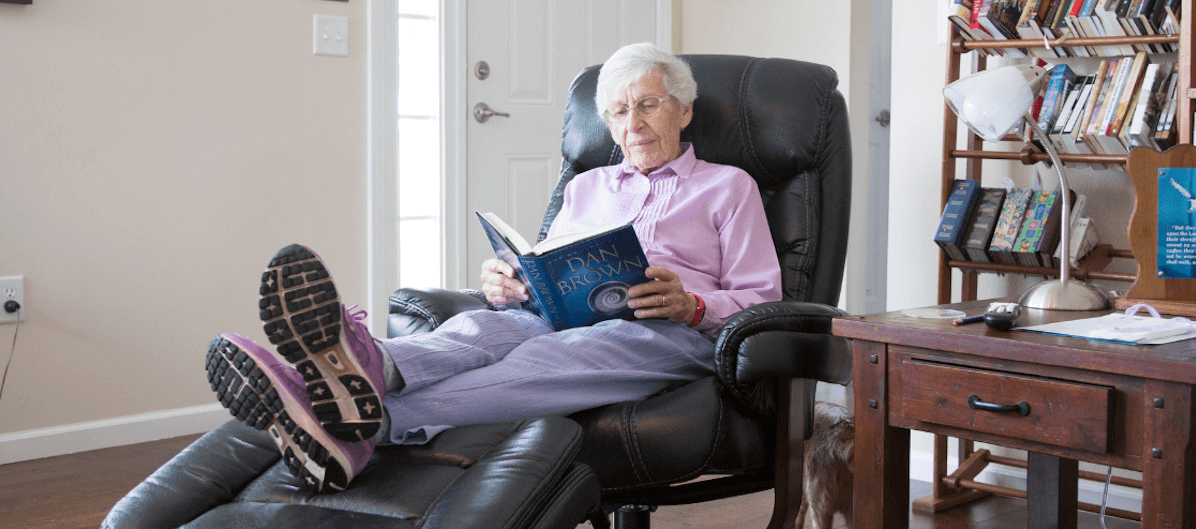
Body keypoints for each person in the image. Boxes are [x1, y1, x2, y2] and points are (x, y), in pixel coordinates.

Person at [206, 43, 783, 493]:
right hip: (562, 316)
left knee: (552, 357)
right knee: (481, 327)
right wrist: (511, 282)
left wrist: (695, 305)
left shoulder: (728, 187)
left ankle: (353, 419)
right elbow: (553, 265)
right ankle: (366, 363)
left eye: (648, 104)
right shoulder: (587, 187)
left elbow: (763, 298)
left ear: (684, 110)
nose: (632, 122)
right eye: (618, 111)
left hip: (666, 331)